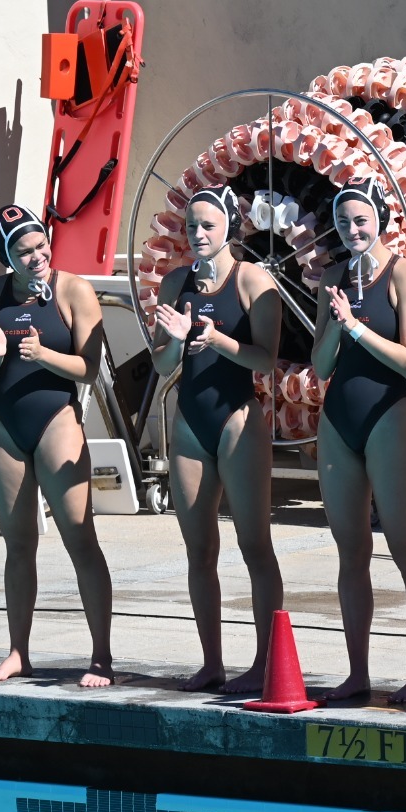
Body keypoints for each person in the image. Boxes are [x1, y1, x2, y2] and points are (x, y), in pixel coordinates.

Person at [0, 205, 116, 687]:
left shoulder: (74, 290)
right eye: (24, 250)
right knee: (17, 545)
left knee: (79, 536)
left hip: (57, 420)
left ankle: (101, 657)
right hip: (7, 427)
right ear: (6, 255)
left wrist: (43, 353)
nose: (37, 257)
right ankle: (17, 653)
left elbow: (89, 368)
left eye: (41, 246)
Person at [150, 186, 285, 693]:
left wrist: (219, 340)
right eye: (191, 227)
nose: (198, 235)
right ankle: (211, 662)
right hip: (189, 420)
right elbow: (164, 363)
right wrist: (181, 339)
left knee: (255, 546)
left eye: (208, 225)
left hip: (237, 419)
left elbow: (266, 359)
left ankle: (267, 662)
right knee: (199, 549)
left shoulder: (252, 280)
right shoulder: (175, 284)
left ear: (230, 225)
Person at [312, 180, 406, 703]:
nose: (353, 230)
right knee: (350, 551)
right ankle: (357, 671)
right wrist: (337, 326)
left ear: (380, 219)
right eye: (345, 222)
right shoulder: (333, 279)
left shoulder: (405, 276)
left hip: (388, 414)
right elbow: (320, 366)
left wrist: (356, 328)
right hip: (338, 419)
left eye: (361, 220)